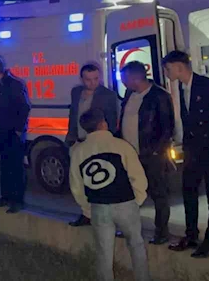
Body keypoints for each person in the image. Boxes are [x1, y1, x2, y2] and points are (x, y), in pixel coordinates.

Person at [70, 108, 150, 281]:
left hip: (99, 207)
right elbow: (137, 176)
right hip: (126, 204)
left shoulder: (78, 152)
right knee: (136, 245)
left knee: (103, 253)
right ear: (103, 124)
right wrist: (137, 199)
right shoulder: (122, 146)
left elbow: (76, 186)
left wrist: (87, 209)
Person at [165, 50, 209, 258]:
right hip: (193, 150)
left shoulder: (206, 85)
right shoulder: (183, 87)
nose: (166, 73)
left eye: (168, 68)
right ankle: (191, 234)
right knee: (189, 192)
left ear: (179, 67)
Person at [116, 61, 174, 245]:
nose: (122, 83)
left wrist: (157, 151)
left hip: (151, 154)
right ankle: (129, 227)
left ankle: (161, 231)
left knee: (158, 193)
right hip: (129, 154)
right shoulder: (129, 94)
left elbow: (167, 127)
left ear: (135, 78)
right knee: (128, 193)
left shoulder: (159, 96)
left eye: (124, 79)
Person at [67, 64, 120, 227]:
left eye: (96, 79)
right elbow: (73, 115)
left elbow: (112, 121)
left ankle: (105, 217)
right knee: (79, 181)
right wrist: (70, 137)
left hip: (97, 144)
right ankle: (87, 213)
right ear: (82, 79)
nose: (92, 83)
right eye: (88, 79)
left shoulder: (108, 95)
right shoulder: (76, 92)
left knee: (100, 182)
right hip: (78, 142)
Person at [0, 57, 31, 214]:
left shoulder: (15, 84)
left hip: (14, 133)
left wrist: (19, 130)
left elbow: (25, 107)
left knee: (16, 168)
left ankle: (17, 201)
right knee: (5, 166)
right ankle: (5, 197)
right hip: (4, 132)